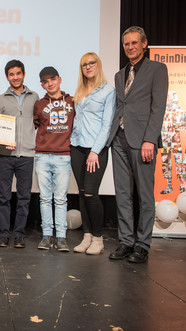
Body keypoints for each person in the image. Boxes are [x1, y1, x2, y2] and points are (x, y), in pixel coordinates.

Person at [107, 26, 168, 263]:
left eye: (134, 43)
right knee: (122, 193)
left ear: (144, 44)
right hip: (119, 140)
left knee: (144, 194)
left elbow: (158, 107)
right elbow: (121, 106)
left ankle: (142, 244)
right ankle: (125, 242)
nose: (130, 47)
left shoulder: (157, 70)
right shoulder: (120, 74)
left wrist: (150, 140)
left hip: (143, 141)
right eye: (126, 44)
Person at [70, 53, 115, 255]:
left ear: (98, 65)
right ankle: (87, 236)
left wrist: (95, 151)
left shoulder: (108, 91)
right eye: (84, 65)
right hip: (77, 146)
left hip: (96, 150)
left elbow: (107, 125)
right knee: (81, 192)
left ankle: (98, 238)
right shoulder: (80, 91)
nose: (88, 67)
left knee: (90, 192)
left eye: (91, 63)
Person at [0, 60, 39, 248]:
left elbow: (37, 122)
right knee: (4, 197)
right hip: (6, 155)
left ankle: (19, 234)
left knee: (24, 198)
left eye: (18, 73)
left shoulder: (35, 96)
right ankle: (4, 233)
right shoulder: (1, 97)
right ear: (7, 77)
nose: (15, 77)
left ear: (23, 74)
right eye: (11, 74)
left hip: (27, 155)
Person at [33, 67, 75, 252]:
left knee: (60, 199)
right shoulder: (39, 104)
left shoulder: (72, 101)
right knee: (44, 198)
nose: (49, 83)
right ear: (42, 84)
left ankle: (61, 237)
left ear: (59, 79)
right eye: (45, 81)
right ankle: (46, 236)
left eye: (52, 79)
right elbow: (35, 125)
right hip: (42, 156)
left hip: (63, 156)